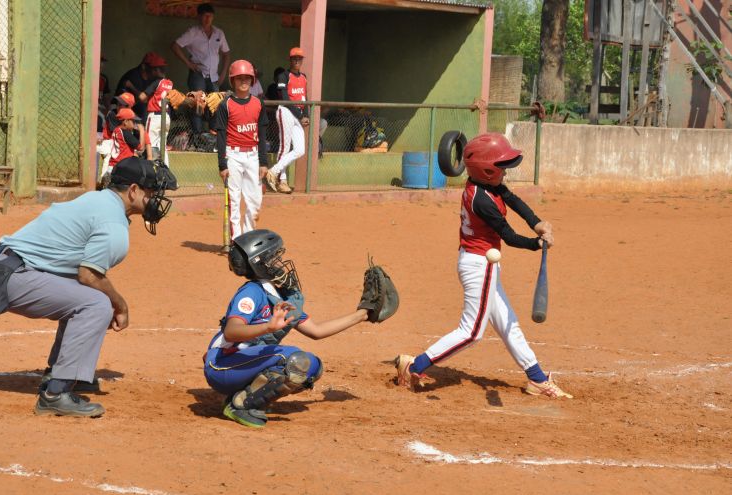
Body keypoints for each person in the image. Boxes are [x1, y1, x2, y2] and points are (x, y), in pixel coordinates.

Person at [0, 158, 178, 417]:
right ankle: (55, 393)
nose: (156, 198)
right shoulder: (113, 223)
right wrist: (121, 304)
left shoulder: (99, 200)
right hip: (8, 276)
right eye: (152, 191)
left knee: (90, 297)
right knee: (96, 303)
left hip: (7, 268)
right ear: (133, 190)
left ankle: (62, 373)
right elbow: (88, 275)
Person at [394, 133, 573, 399]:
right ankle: (415, 365)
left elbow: (513, 200)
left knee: (507, 322)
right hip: (480, 265)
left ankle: (536, 378)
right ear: (487, 170)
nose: (505, 171)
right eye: (500, 166)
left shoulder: (487, 184)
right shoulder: (482, 200)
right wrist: (537, 245)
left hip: (481, 262)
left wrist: (537, 223)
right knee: (472, 332)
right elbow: (509, 237)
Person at [202, 229, 373, 428]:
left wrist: (362, 315)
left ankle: (243, 396)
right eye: (274, 258)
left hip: (240, 366)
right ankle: (239, 406)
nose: (280, 263)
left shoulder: (280, 297)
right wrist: (268, 327)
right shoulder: (252, 292)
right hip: (221, 367)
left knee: (312, 367)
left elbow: (316, 331)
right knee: (291, 359)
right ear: (260, 264)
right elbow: (232, 331)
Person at [216, 60, 269, 239]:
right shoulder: (225, 105)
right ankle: (236, 241)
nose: (243, 81)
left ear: (253, 80)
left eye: (247, 78)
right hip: (233, 155)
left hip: (253, 155)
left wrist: (264, 162)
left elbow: (262, 135)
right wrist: (222, 164)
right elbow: (221, 136)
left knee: (255, 202)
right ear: (233, 81)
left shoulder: (259, 104)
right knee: (234, 200)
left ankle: (247, 237)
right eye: (239, 78)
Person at [170, 2, 230, 137]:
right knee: (198, 102)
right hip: (198, 74)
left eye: (210, 16)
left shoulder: (218, 33)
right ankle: (198, 134)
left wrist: (223, 73)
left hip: (214, 76)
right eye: (205, 16)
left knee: (216, 103)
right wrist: (188, 64)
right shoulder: (193, 32)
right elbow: (175, 46)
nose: (207, 19)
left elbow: (226, 53)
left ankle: (213, 133)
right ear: (199, 17)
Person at [264, 48, 308, 194]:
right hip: (286, 111)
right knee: (285, 147)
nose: (297, 61)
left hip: (298, 115)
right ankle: (282, 181)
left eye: (299, 58)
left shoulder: (304, 77)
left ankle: (273, 172)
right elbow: (285, 98)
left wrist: (305, 115)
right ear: (290, 60)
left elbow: (304, 98)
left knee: (300, 149)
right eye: (294, 58)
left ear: (302, 60)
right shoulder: (284, 75)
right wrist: (300, 116)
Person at [138, 56, 173, 165]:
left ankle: (152, 173)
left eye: (153, 70)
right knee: (162, 147)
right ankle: (166, 174)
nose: (151, 72)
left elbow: (142, 97)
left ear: (157, 70)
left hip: (154, 117)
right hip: (166, 117)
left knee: (150, 144)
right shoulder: (170, 83)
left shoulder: (156, 82)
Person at [115, 52, 163, 120]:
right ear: (144, 66)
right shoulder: (133, 76)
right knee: (144, 108)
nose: (157, 72)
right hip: (122, 110)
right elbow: (143, 99)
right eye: (155, 69)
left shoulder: (152, 78)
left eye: (159, 69)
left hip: (137, 110)